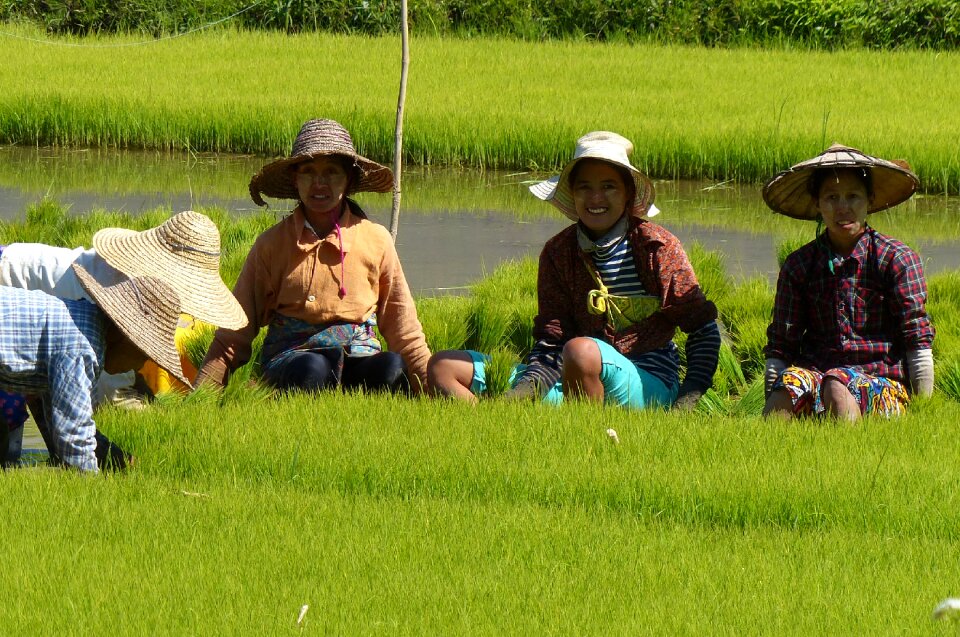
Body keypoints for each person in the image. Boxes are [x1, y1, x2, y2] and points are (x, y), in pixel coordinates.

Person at [428, 131, 721, 408]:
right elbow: (553, 339)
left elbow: (702, 329)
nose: (596, 199)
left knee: (582, 351)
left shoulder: (656, 246)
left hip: (645, 386)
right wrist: (523, 393)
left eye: (608, 187)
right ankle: (491, 427)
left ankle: (587, 430)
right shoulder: (558, 252)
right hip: (569, 378)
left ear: (628, 194)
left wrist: (688, 398)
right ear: (572, 193)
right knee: (444, 367)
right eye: (585, 188)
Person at [196, 119, 431, 395]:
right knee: (312, 370)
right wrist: (202, 395)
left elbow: (404, 331)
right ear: (295, 180)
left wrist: (434, 388)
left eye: (332, 172)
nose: (319, 183)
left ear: (349, 179)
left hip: (358, 356)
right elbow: (234, 331)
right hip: (294, 359)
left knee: (391, 368)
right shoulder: (271, 245)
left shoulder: (376, 240)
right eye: (308, 172)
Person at [0, 210, 247, 465]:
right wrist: (116, 461)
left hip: (29, 302)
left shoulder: (133, 294)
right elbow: (103, 395)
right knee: (9, 424)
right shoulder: (114, 301)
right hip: (8, 286)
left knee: (52, 411)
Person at [762, 143, 935, 420]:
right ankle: (767, 449)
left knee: (838, 384)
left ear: (870, 200)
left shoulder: (897, 259)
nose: (843, 207)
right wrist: (774, 390)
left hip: (883, 383)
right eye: (831, 197)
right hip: (819, 375)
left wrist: (925, 409)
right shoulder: (800, 265)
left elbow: (917, 338)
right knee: (791, 384)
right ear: (817, 204)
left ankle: (848, 452)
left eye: (853, 196)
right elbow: (782, 342)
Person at [0, 265, 187, 472]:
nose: (141, 367)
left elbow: (59, 417)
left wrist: (117, 460)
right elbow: (73, 431)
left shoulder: (82, 322)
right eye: (144, 356)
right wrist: (90, 487)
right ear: (127, 338)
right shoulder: (83, 346)